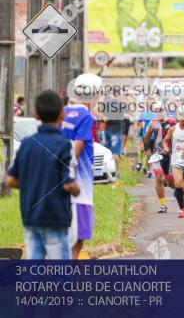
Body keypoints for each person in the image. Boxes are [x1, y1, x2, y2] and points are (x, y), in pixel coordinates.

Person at [6, 90, 81, 259]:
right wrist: (77, 190)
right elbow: (68, 184)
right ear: (62, 114)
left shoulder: (26, 144)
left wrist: (32, 183)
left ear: (36, 115)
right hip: (56, 217)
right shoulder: (65, 145)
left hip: (30, 217)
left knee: (33, 269)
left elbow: (10, 180)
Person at [63, 73, 99, 259]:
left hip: (59, 188)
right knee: (78, 238)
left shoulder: (63, 111)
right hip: (80, 188)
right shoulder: (86, 116)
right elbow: (78, 146)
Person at [164, 105, 184, 218]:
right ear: (178, 116)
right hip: (176, 160)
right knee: (178, 182)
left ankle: (180, 193)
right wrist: (166, 147)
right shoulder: (173, 129)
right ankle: (182, 209)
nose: (183, 118)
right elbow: (165, 140)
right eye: (181, 115)